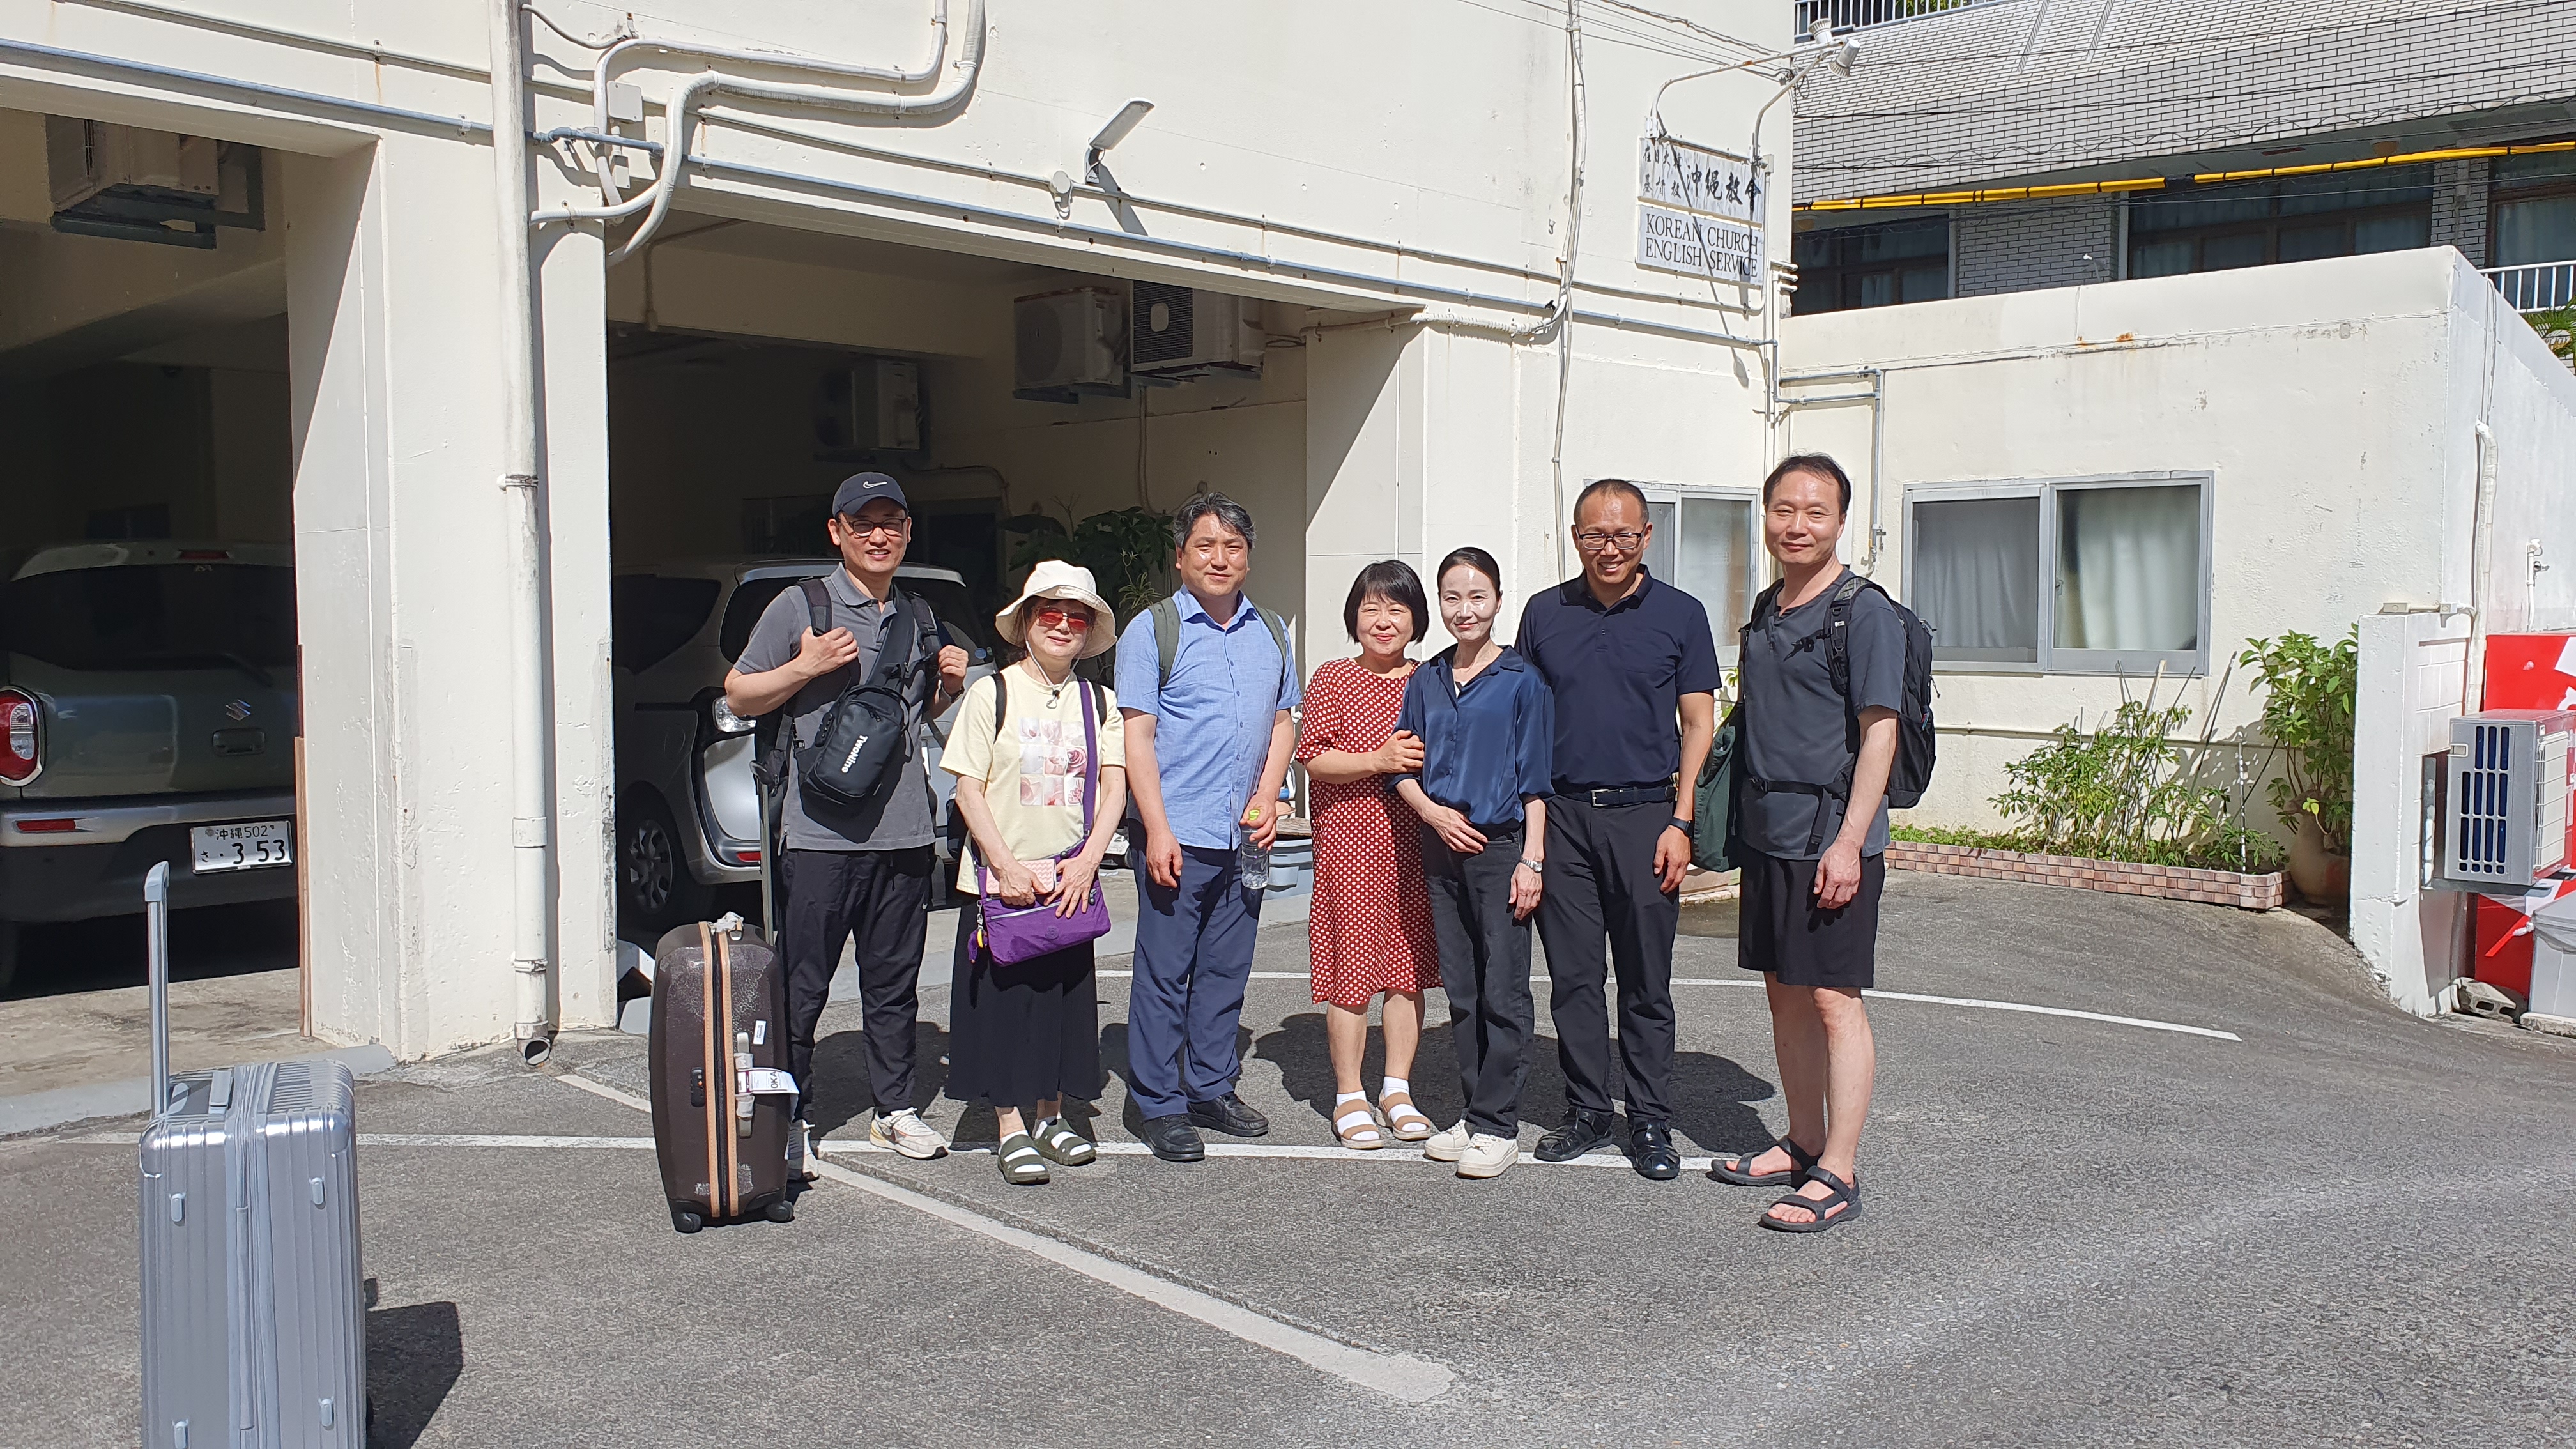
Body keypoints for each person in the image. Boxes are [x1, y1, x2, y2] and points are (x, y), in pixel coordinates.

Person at [725, 472, 970, 1167]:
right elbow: (740, 694)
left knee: (893, 986)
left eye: (892, 522)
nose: (879, 535)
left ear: (909, 532)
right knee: (801, 985)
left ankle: (894, 1111)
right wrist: (803, 667)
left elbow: (911, 719)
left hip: (906, 833)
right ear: (837, 532)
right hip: (820, 836)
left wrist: (949, 688)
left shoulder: (921, 615)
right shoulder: (800, 606)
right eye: (863, 523)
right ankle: (789, 1115)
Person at [1710, 454, 1896, 1233]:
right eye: (1784, 510)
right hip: (1769, 834)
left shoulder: (1863, 612)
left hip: (1831, 839)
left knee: (1832, 999)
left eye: (1816, 512)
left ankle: (1839, 1172)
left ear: (1840, 522)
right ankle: (1802, 1143)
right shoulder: (1768, 607)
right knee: (1784, 989)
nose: (1797, 525)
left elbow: (1880, 732)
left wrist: (1850, 843)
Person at [1515, 479, 1719, 1181]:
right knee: (1574, 978)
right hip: (1563, 817)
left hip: (1647, 819)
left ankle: (1651, 1119)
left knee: (1645, 979)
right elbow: (1524, 717)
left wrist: (1682, 820)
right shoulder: (1544, 613)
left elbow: (1699, 723)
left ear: (1646, 536)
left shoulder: (1681, 614)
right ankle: (1587, 1110)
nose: (1610, 548)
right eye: (1596, 535)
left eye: (1624, 535)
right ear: (1575, 538)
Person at [1114, 492, 1301, 1163]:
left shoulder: (1271, 629)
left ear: (1248, 558)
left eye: (1233, 547)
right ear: (1181, 556)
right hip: (1178, 834)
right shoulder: (1152, 631)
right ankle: (1158, 1103)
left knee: (1226, 970)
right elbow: (1137, 738)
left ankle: (1210, 1087)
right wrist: (1157, 828)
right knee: (1165, 973)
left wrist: (1269, 798)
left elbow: (1283, 721)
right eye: (1205, 545)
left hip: (1245, 836)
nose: (1219, 559)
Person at [942, 562, 1128, 1186]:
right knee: (1003, 1009)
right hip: (1003, 884)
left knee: (1062, 1009)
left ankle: (1051, 1116)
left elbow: (1114, 788)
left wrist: (1089, 862)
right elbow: (968, 790)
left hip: (1070, 881)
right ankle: (1009, 1127)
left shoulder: (1099, 702)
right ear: (1026, 621)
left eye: (1077, 616)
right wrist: (1005, 863)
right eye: (1050, 611)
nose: (1063, 624)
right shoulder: (990, 694)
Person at [1393, 548, 1552, 1180]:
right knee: (1462, 988)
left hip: (1500, 848)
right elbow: (1402, 767)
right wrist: (1432, 814)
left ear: (1498, 601)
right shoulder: (1427, 678)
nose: (1465, 610)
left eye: (1477, 596)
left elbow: (1536, 782)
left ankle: (1498, 1125)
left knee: (1503, 988)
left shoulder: (1522, 680)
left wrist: (1532, 861)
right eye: (1453, 597)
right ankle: (1474, 1110)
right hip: (1440, 844)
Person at [1296, 561, 1441, 1150]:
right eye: (1371, 608)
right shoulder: (1334, 677)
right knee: (1352, 972)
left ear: (1416, 619)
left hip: (1418, 844)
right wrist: (1378, 761)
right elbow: (1314, 758)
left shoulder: (1431, 679)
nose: (1383, 621)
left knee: (1407, 972)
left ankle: (1397, 1089)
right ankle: (1349, 1094)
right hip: (1350, 844)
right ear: (1354, 616)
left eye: (1396, 609)